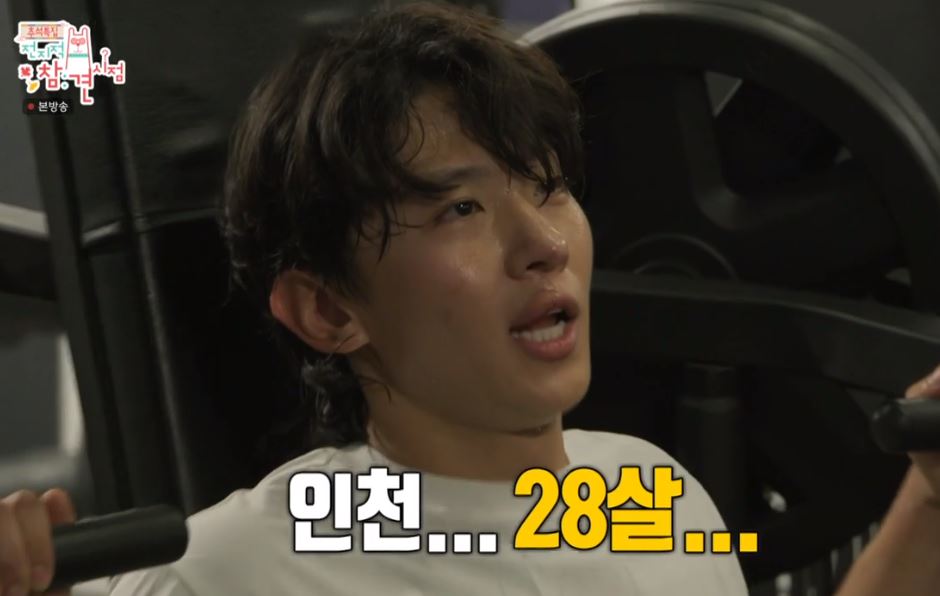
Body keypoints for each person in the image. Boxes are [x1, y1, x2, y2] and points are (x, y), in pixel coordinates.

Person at [2, 3, 940, 595]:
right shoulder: (234, 570)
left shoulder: (643, 494)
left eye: (549, 187)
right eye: (460, 208)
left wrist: (930, 498)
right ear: (330, 312)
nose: (545, 244)